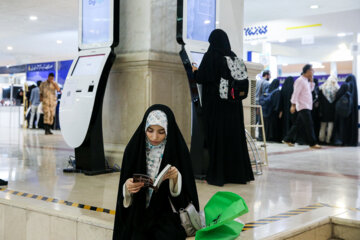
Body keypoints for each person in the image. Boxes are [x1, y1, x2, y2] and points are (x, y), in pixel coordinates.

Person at [113, 104, 199, 240]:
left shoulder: (178, 151)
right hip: (138, 212)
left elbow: (187, 197)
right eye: (150, 130)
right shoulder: (133, 149)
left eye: (161, 132)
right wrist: (127, 188)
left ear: (168, 131)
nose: (154, 137)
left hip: (166, 213)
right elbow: (123, 195)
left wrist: (176, 178)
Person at [192, 29, 254, 186]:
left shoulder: (211, 56)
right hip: (234, 107)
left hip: (217, 107)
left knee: (217, 140)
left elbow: (201, 78)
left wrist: (195, 71)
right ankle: (237, 175)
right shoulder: (233, 56)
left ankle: (218, 175)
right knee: (234, 140)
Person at [283, 64, 321, 149]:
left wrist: (311, 81)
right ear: (307, 71)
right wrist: (293, 105)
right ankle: (312, 143)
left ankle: (287, 139)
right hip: (303, 106)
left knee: (297, 124)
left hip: (307, 105)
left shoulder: (306, 81)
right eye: (312, 70)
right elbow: (295, 93)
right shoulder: (299, 80)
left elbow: (310, 90)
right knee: (309, 125)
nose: (313, 72)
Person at [333, 74, 358, 146]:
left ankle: (343, 141)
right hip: (351, 111)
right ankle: (351, 141)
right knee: (350, 126)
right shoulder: (354, 87)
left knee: (343, 126)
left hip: (344, 110)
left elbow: (338, 95)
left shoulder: (345, 85)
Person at [318, 75, 339, 144]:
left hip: (324, 110)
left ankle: (321, 139)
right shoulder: (336, 89)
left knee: (323, 125)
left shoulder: (322, 88)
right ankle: (328, 140)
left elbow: (319, 101)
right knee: (330, 125)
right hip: (332, 110)